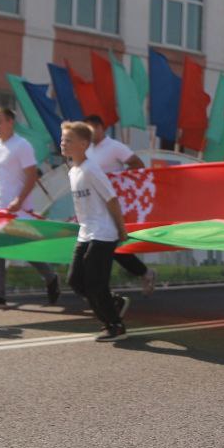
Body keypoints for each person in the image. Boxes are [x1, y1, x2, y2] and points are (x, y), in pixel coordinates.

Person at [0, 107, 61, 309]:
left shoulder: (22, 145)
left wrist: (19, 200)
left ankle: (50, 277)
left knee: (26, 249)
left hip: (19, 208)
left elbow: (32, 176)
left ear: (10, 122)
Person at [61, 121, 130, 342]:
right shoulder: (73, 171)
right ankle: (113, 303)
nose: (63, 143)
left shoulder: (92, 169)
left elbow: (111, 199)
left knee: (94, 283)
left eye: (68, 140)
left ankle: (114, 324)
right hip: (85, 232)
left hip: (103, 233)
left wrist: (121, 229)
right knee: (75, 281)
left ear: (83, 144)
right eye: (62, 139)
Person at [84, 115, 156, 296]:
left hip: (112, 205)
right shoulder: (88, 150)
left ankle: (100, 292)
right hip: (93, 205)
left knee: (104, 246)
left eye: (91, 129)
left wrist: (118, 180)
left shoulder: (114, 147)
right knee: (105, 248)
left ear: (101, 128)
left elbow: (137, 164)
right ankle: (143, 273)